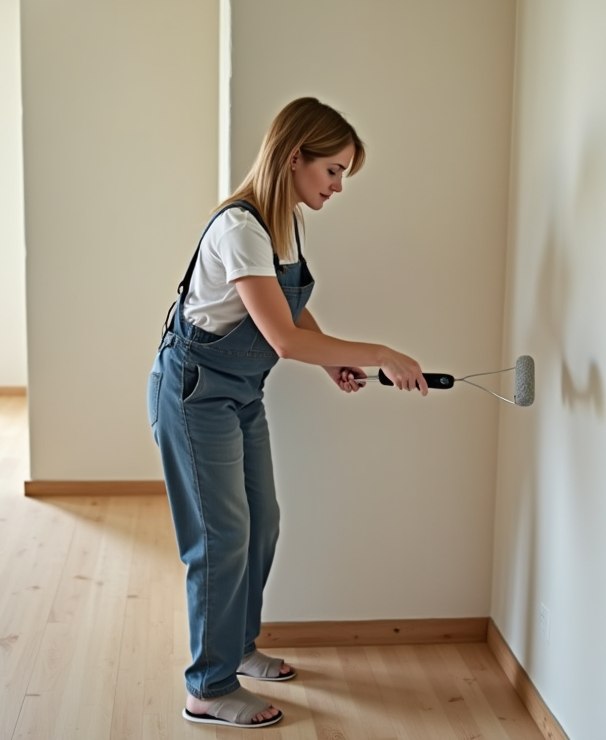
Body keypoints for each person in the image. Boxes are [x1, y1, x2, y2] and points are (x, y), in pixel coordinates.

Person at [147, 97, 428, 729]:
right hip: (194, 395)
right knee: (220, 541)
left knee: (262, 524)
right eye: (332, 170)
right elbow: (284, 340)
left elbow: (290, 310)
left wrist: (331, 359)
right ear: (295, 157)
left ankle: (238, 650)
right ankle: (208, 688)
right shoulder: (240, 228)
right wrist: (379, 351)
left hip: (240, 393)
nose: (336, 186)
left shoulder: (284, 222)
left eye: (342, 175)